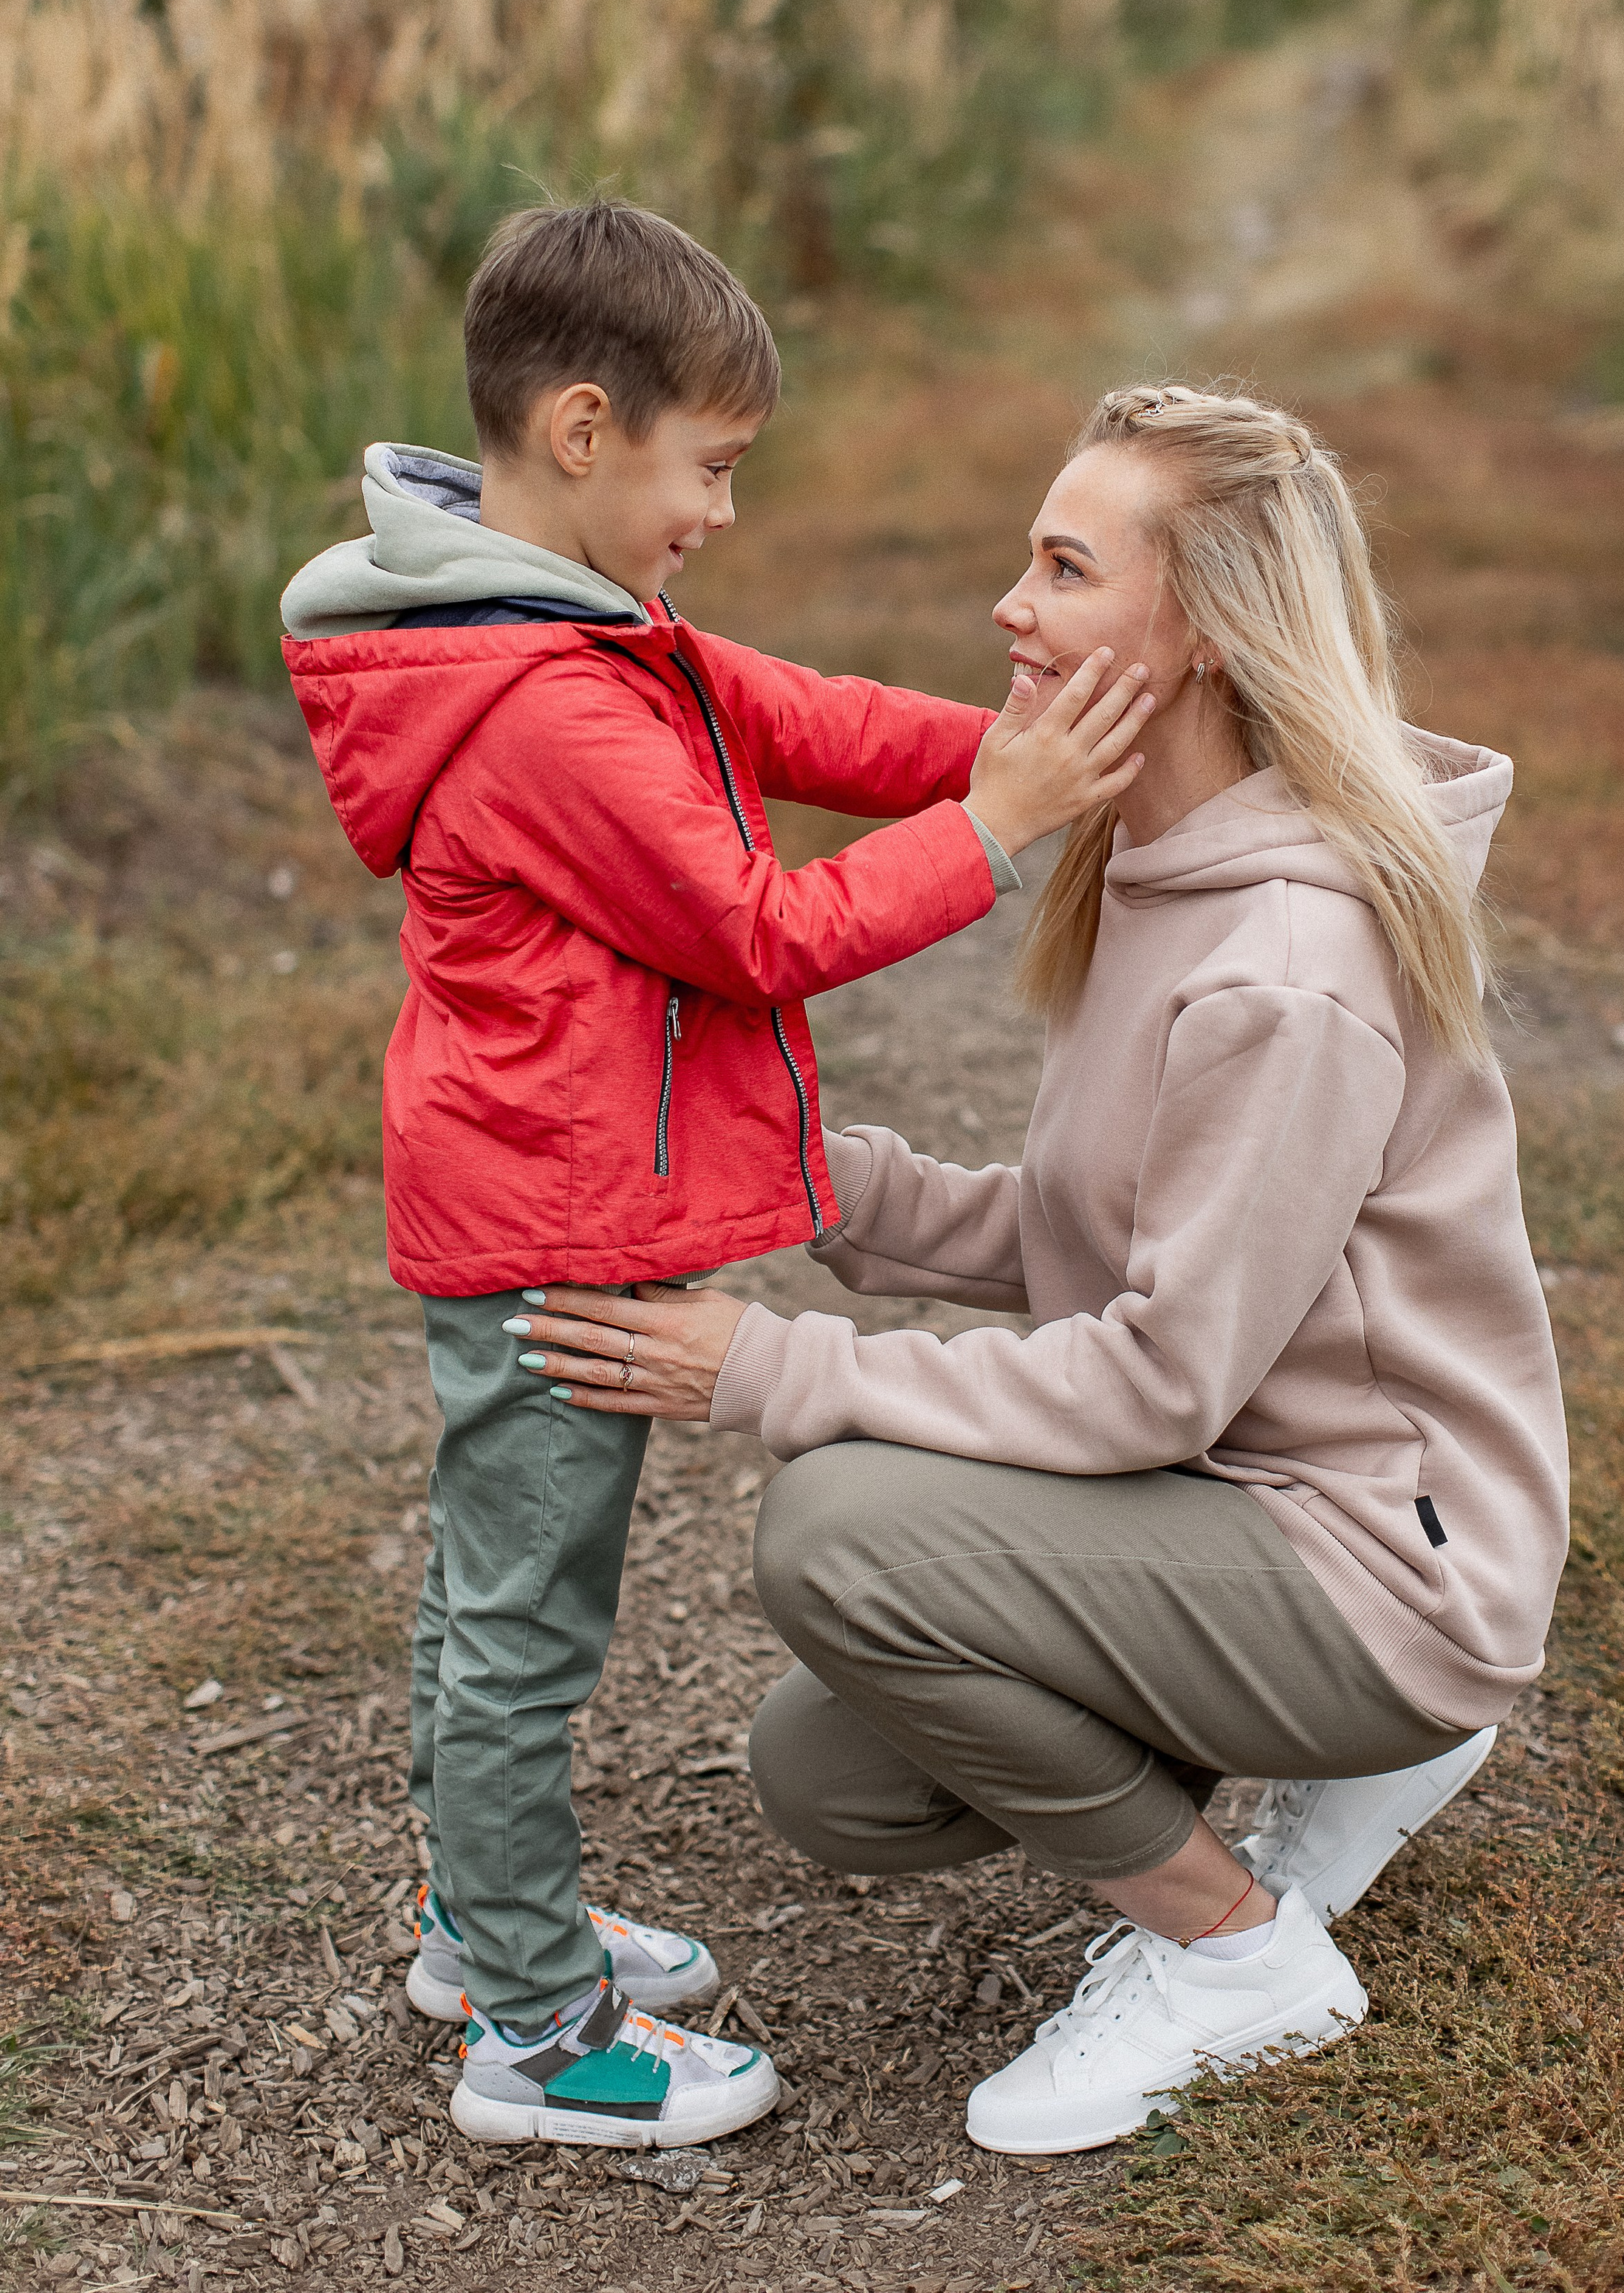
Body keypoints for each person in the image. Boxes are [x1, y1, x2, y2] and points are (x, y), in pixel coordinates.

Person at [511, 383, 1570, 2157]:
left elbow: (1158, 1374)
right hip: (1241, 1501)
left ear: (1208, 636)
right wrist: (791, 1179)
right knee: (827, 1772)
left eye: (1065, 568)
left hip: (1381, 1562)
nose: (1010, 608)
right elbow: (1081, 1229)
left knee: (839, 1534)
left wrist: (765, 1368)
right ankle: (1343, 1760)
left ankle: (1236, 1956)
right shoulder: (1161, 868)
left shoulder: (1284, 966)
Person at [277, 202, 1153, 2153]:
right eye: (713, 469)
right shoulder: (543, 701)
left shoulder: (550, 615)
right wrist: (1003, 827)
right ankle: (532, 2027)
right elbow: (751, 929)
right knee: (526, 1617)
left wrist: (1042, 751)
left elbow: (794, 718)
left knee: (485, 1591)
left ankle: (473, 1917)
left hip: (525, 1201)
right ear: (584, 431)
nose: (724, 515)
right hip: (550, 1238)